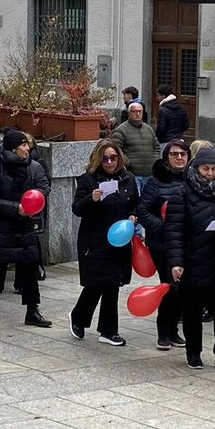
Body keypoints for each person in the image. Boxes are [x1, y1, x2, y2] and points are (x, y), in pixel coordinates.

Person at [164, 147, 215, 371]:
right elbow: (174, 231)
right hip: (194, 260)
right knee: (192, 311)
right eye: (205, 169)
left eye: (213, 169)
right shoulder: (182, 193)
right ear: (196, 169)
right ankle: (193, 352)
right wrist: (176, 262)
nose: (209, 173)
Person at [0, 129, 52, 327]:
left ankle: (32, 310)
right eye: (23, 145)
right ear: (13, 148)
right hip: (2, 227)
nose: (27, 148)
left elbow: (44, 187)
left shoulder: (34, 166)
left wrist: (33, 202)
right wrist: (16, 208)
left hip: (25, 226)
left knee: (29, 269)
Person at [69, 140, 138, 346]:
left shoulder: (128, 178)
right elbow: (77, 208)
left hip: (119, 239)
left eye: (113, 158)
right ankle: (79, 317)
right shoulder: (88, 180)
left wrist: (134, 216)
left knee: (113, 283)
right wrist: (91, 199)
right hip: (95, 239)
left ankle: (108, 330)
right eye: (105, 158)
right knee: (96, 283)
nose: (109, 162)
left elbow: (135, 203)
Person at [136, 138, 189, 350]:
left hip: (186, 242)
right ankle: (164, 332)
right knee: (169, 286)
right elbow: (143, 211)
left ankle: (173, 330)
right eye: (174, 154)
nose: (179, 158)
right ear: (166, 157)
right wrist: (164, 226)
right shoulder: (155, 182)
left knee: (182, 288)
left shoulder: (192, 179)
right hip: (162, 244)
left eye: (182, 154)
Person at [111, 102, 158, 191]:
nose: (138, 114)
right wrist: (127, 162)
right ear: (129, 113)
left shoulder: (148, 129)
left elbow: (156, 147)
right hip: (133, 175)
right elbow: (115, 149)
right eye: (134, 111)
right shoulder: (121, 130)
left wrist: (154, 160)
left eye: (140, 111)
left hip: (149, 174)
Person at [155, 84, 188, 153]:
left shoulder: (162, 110)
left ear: (163, 96)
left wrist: (157, 138)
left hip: (165, 142)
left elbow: (161, 128)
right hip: (179, 140)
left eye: (158, 96)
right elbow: (186, 125)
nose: (157, 99)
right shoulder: (181, 107)